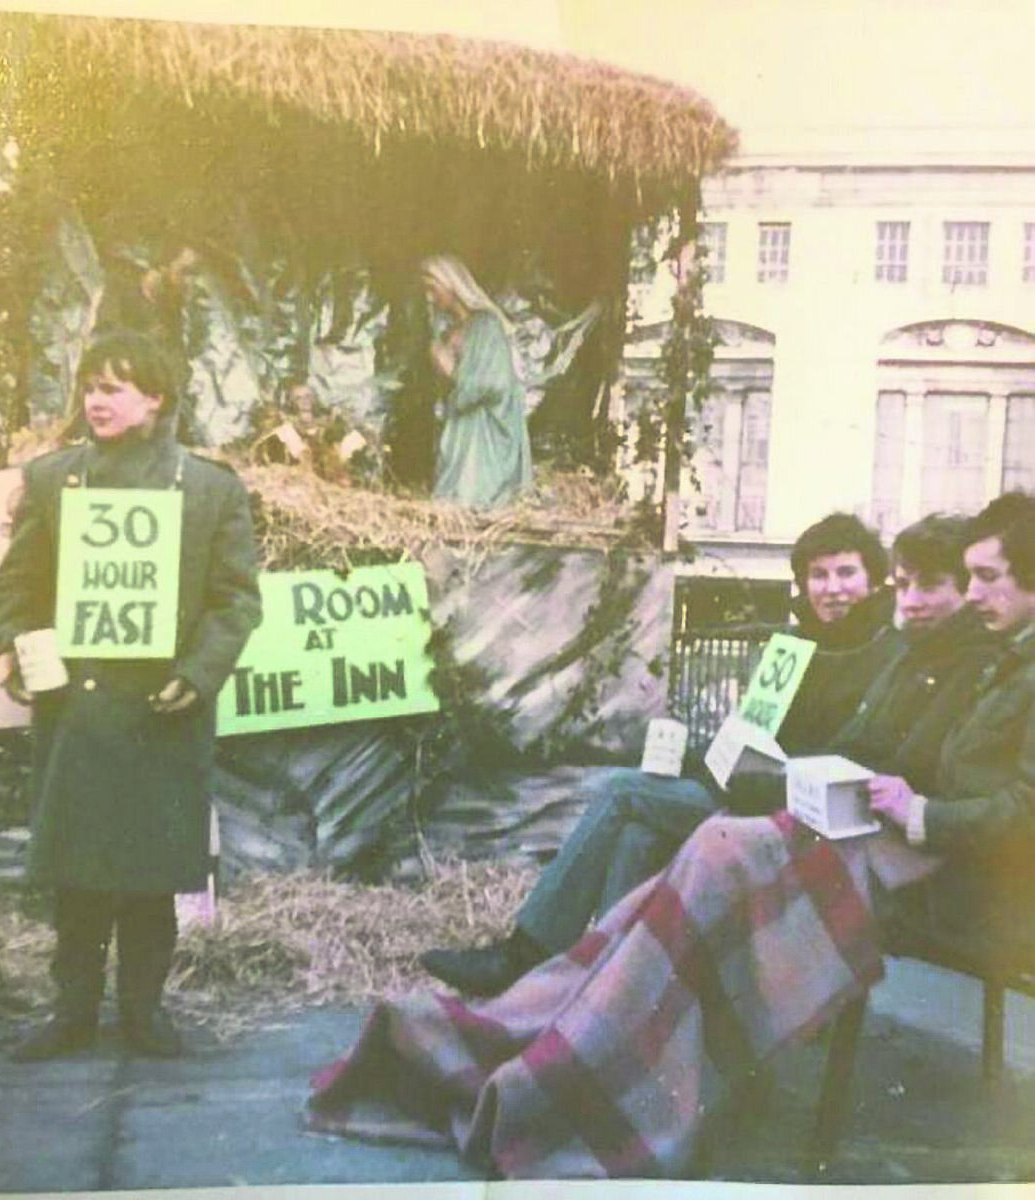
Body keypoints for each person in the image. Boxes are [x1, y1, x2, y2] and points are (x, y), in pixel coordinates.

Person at [305, 493, 1035, 1179]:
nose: (942, 599)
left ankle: (585, 1012)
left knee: (671, 827)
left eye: (964, 581)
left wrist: (898, 807)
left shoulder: (919, 655)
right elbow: (845, 747)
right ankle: (579, 1008)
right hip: (805, 810)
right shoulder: (846, 650)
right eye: (822, 575)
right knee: (643, 818)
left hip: (886, 848)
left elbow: (947, 784)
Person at [420, 511, 898, 996]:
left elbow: (852, 759)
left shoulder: (886, 655)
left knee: (620, 791)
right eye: (819, 575)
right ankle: (611, 983)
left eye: (846, 573)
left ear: (875, 580)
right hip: (751, 791)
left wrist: (759, 780)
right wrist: (702, 755)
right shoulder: (795, 646)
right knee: (635, 832)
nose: (832, 588)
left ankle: (526, 955)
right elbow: (756, 733)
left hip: (803, 817)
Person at [0, 328, 262, 1062]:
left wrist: (198, 674)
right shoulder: (52, 480)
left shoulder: (210, 489)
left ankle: (145, 1011)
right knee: (76, 869)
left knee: (149, 869)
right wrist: (18, 645)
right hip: (77, 711)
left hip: (162, 710)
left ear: (156, 398)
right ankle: (70, 1011)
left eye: (113, 387)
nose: (95, 400)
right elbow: (14, 590)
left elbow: (235, 602)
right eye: (88, 386)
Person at [420, 255, 532, 508]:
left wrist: (449, 369)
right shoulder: (454, 329)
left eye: (432, 288)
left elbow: (493, 384)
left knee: (471, 501)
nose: (429, 297)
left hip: (485, 432)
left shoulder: (485, 324)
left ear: (452, 285)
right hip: (461, 428)